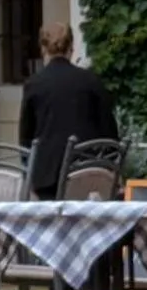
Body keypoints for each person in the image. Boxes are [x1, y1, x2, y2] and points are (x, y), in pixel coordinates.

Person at [17, 23, 118, 198]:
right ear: (71, 47)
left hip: (47, 176)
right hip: (89, 173)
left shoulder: (34, 84)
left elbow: (26, 137)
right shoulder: (91, 81)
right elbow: (109, 131)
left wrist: (31, 173)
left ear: (43, 48)